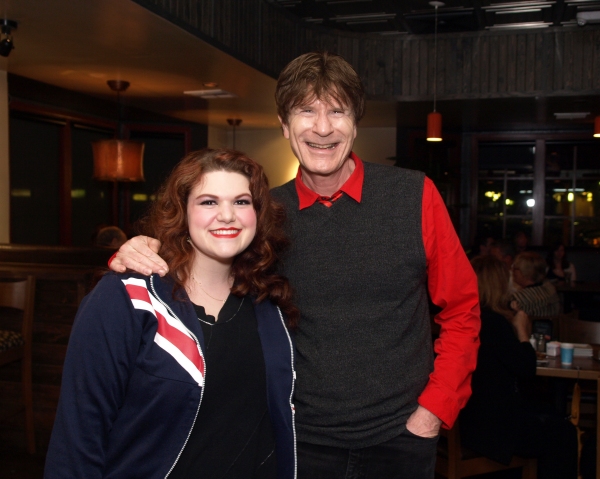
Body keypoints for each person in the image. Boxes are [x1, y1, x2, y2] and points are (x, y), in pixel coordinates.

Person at [110, 52, 480, 478]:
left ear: (355, 123)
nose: (323, 128)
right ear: (285, 125)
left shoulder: (414, 195)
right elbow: (195, 263)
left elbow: (463, 310)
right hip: (297, 438)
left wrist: (433, 411)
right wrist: (134, 252)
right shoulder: (265, 212)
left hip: (401, 438)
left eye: (337, 111)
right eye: (307, 111)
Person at [45, 149, 298, 479]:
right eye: (208, 202)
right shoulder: (127, 298)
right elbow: (78, 435)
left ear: (257, 213)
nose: (227, 215)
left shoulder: (269, 304)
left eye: (241, 202)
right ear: (182, 210)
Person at [461, 255, 578, 479]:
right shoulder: (493, 324)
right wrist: (523, 333)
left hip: (469, 420)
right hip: (492, 430)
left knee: (550, 415)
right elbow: (526, 370)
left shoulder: (469, 319)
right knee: (564, 433)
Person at [511, 251, 561, 317]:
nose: (512, 270)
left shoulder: (518, 299)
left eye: (515, 268)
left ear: (526, 272)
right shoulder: (550, 288)